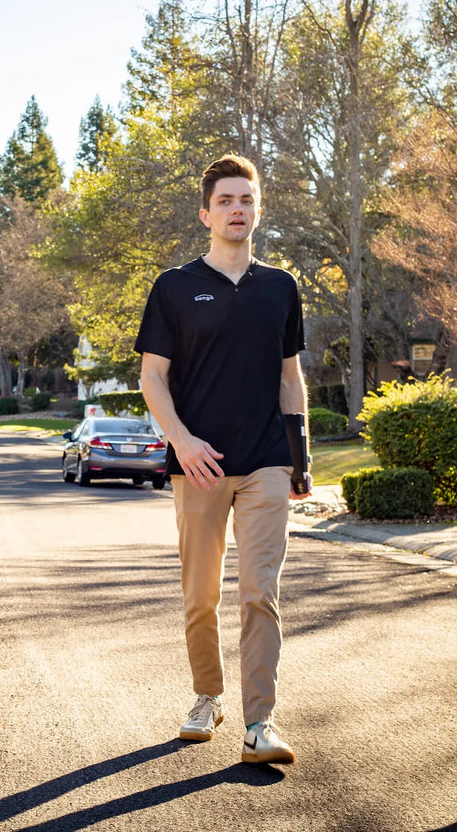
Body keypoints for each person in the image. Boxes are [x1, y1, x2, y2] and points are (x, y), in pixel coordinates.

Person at [136, 154, 311, 765]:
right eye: (227, 201)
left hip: (265, 459)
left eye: (248, 200)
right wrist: (180, 441)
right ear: (206, 212)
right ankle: (207, 696)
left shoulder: (281, 287)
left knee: (260, 592)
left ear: (258, 210)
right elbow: (152, 377)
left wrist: (300, 458)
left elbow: (290, 378)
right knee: (200, 595)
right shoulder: (175, 286)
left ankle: (260, 722)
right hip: (199, 464)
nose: (238, 210)